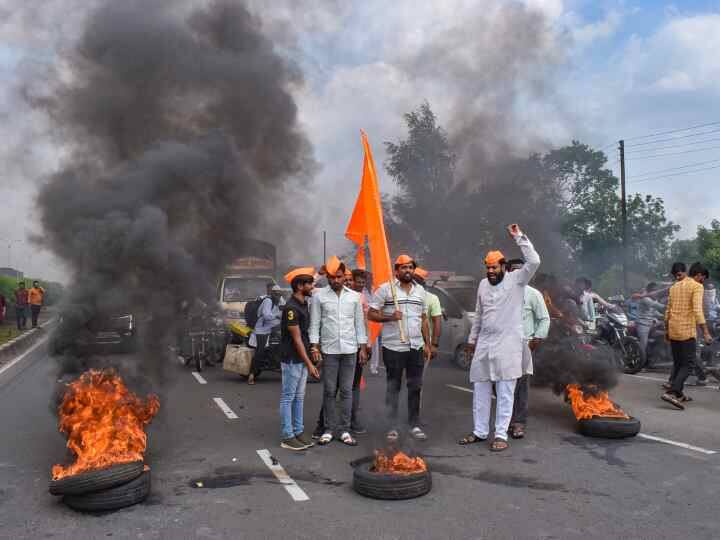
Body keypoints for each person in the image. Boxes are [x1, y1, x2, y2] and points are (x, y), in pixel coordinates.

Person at [458, 224, 540, 452]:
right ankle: (480, 431)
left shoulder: (517, 280)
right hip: (484, 343)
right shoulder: (484, 284)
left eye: (494, 267)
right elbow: (480, 314)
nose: (490, 272)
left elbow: (534, 262)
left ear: (503, 266)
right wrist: (472, 342)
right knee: (480, 389)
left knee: (505, 392)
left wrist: (519, 237)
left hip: (508, 345)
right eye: (487, 268)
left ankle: (501, 434)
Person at [368, 254, 432, 442]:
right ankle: (392, 426)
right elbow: (371, 314)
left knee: (415, 386)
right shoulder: (385, 290)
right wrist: (389, 317)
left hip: (415, 346)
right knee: (393, 386)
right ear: (396, 270)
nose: (407, 271)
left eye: (410, 267)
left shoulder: (420, 291)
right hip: (393, 346)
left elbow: (424, 320)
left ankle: (414, 424)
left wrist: (427, 344)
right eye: (403, 267)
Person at [309, 256, 367, 446]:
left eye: (339, 277)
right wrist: (314, 346)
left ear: (344, 276)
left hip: (350, 350)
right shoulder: (319, 296)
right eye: (332, 277)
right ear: (328, 277)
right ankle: (328, 429)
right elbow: (315, 323)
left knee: (347, 392)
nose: (335, 280)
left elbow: (359, 324)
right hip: (329, 350)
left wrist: (363, 348)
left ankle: (345, 430)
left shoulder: (354, 297)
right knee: (329, 390)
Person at [505, 258, 549, 440]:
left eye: (521, 270)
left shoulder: (533, 294)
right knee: (502, 387)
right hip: (502, 345)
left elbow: (544, 318)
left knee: (521, 386)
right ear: (507, 272)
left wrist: (537, 338)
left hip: (523, 345)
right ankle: (504, 422)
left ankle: (518, 423)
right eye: (513, 270)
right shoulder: (501, 292)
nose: (517, 273)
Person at [661, 262, 713, 409]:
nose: (702, 281)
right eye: (703, 278)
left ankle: (679, 394)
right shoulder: (697, 286)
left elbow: (667, 312)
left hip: (673, 329)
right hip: (686, 331)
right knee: (688, 364)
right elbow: (697, 310)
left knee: (678, 363)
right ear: (698, 275)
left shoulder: (674, 286)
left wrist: (667, 331)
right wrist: (706, 332)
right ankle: (672, 392)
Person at [278, 267, 319, 451]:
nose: (312, 287)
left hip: (301, 359)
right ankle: (288, 436)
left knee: (299, 397)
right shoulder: (291, 309)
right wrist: (310, 363)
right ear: (300, 286)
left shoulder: (303, 304)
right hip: (292, 359)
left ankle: (298, 431)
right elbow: (296, 339)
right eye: (310, 284)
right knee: (288, 397)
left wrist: (313, 351)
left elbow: (304, 335)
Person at [248, 284, 283, 385]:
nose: (278, 296)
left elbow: (284, 309)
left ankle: (277, 362)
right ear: (272, 294)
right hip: (261, 329)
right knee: (260, 351)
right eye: (276, 294)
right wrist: (278, 315)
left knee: (283, 342)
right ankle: (251, 375)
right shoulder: (268, 301)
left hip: (273, 327)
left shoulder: (280, 301)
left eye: (280, 295)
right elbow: (267, 316)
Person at [635, 282, 666, 365]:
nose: (656, 293)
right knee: (643, 344)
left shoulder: (653, 298)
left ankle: (653, 358)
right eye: (655, 291)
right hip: (643, 324)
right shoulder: (646, 299)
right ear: (650, 291)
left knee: (663, 336)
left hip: (651, 324)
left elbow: (654, 312)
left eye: (657, 291)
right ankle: (640, 362)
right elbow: (656, 306)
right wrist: (667, 306)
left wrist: (664, 316)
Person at [414, 268, 442, 353]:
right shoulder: (401, 297)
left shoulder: (432, 298)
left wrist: (434, 345)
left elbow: (437, 322)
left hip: (423, 347)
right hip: (403, 346)